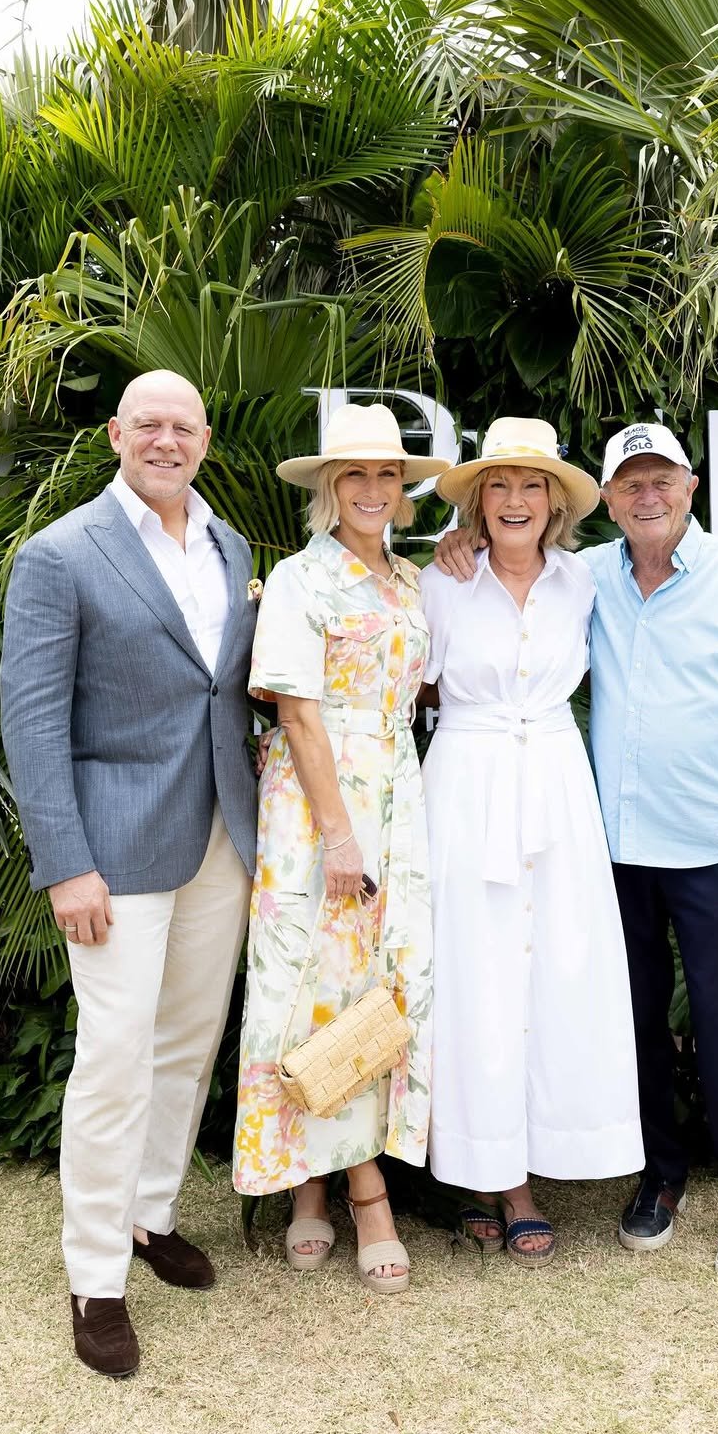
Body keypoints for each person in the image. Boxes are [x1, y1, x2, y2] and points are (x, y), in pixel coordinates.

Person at [435, 420, 718, 1282]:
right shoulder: (588, 573)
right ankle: (662, 1176)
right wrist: (460, 544)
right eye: (631, 483)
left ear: (690, 485)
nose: (648, 495)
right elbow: (503, 568)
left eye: (663, 479)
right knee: (632, 1021)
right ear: (605, 500)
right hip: (611, 842)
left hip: (716, 841)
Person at [0, 370, 258, 1376]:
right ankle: (94, 1276)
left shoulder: (230, 545)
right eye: (146, 423)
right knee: (113, 1058)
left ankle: (150, 1219)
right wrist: (65, 864)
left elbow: (222, 690)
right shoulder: (59, 555)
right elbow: (32, 719)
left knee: (187, 1044)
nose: (164, 439)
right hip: (112, 854)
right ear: (116, 435)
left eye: (181, 425)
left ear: (204, 437)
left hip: (219, 844)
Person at [232, 402, 445, 1295]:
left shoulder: (409, 581)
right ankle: (351, 1195)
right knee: (307, 991)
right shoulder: (298, 581)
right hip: (318, 809)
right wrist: (342, 836)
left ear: (402, 491)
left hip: (398, 793)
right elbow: (299, 713)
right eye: (353, 474)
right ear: (328, 487)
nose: (370, 488)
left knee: (383, 986)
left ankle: (327, 1184)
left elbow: (416, 696)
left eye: (387, 475)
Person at [421, 417, 643, 1267]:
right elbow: (411, 683)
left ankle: (539, 1154)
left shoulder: (584, 582)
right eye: (499, 485)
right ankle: (487, 1175)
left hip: (553, 782)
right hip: (467, 782)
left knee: (555, 967)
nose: (516, 499)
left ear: (556, 502)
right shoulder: (439, 582)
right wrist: (449, 549)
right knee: (473, 971)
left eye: (532, 485)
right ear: (478, 501)